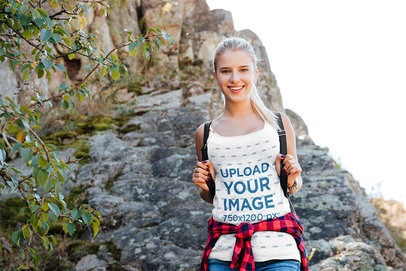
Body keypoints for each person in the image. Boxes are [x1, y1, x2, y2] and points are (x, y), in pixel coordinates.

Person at [192, 37, 308, 271]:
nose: (235, 79)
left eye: (243, 70)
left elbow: (292, 187)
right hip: (224, 253)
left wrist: (293, 177)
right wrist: (204, 186)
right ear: (215, 76)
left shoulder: (278, 124)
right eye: (226, 71)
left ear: (255, 74)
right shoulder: (205, 134)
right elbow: (213, 196)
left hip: (278, 251)